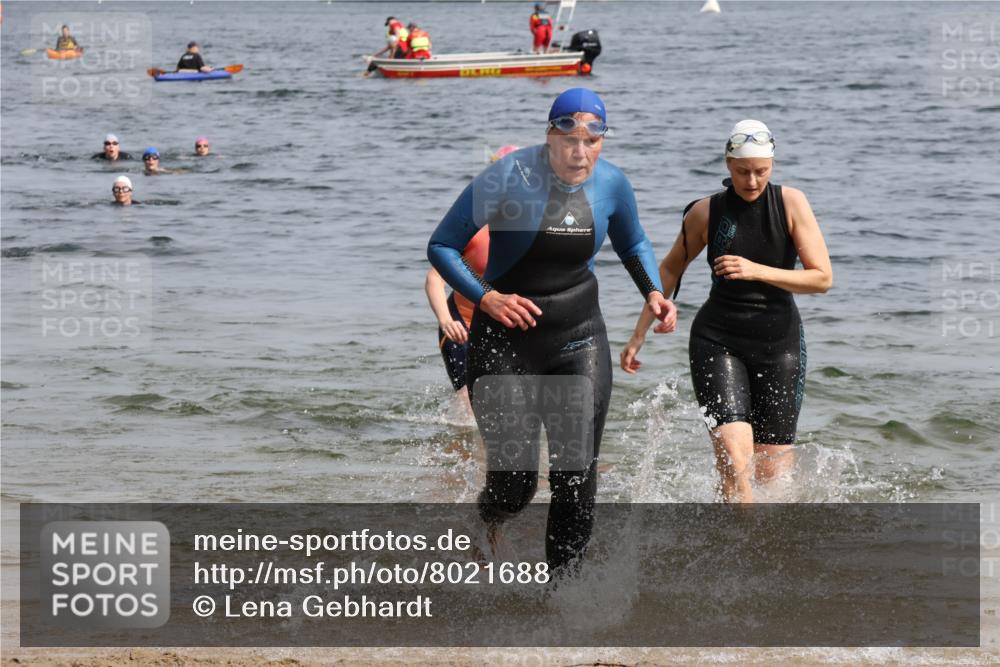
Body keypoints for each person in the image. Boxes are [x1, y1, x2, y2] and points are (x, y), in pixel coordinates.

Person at [428, 89, 674, 576]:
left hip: (578, 336)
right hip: (504, 343)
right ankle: (487, 521)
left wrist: (653, 292)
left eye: (591, 140)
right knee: (516, 483)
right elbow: (442, 246)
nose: (579, 152)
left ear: (602, 141)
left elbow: (634, 241)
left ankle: (563, 598)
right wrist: (486, 298)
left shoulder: (612, 184)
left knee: (576, 474)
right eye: (569, 139)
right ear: (549, 136)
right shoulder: (507, 176)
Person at [620, 120, 833, 504]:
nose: (752, 181)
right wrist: (638, 335)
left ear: (772, 165)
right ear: (727, 164)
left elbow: (821, 279)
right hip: (718, 341)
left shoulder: (791, 203)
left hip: (780, 345)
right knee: (735, 468)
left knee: (773, 483)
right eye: (742, 172)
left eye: (761, 172)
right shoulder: (707, 212)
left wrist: (756, 271)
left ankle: (755, 553)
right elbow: (669, 269)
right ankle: (732, 556)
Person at [425, 146, 518, 411]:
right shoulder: (473, 231)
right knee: (469, 402)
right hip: (463, 327)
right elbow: (434, 278)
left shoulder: (534, 230)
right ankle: (462, 449)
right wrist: (446, 321)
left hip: (507, 330)